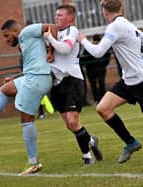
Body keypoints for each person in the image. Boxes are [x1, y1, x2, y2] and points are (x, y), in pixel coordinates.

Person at [0, 19, 56, 175]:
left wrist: (51, 51)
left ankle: (33, 163)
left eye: (6, 36)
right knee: (5, 89)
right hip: (31, 76)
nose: (6, 40)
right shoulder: (23, 43)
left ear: (15, 31)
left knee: (26, 119)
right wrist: (15, 77)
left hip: (38, 79)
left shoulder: (27, 31)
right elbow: (33, 64)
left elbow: (52, 27)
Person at [78, 0, 143, 163]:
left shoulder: (116, 26)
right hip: (128, 81)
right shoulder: (129, 25)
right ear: (121, 8)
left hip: (141, 81)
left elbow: (98, 52)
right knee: (103, 108)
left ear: (104, 12)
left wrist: (83, 40)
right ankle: (130, 142)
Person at [44, 4, 103, 165]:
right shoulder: (53, 32)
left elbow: (64, 49)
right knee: (70, 125)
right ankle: (91, 140)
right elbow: (51, 52)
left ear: (70, 18)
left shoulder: (72, 30)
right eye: (56, 15)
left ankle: (87, 157)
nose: (57, 17)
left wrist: (49, 38)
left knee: (72, 120)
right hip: (56, 82)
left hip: (72, 80)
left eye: (60, 15)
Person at [81, 34, 111, 104]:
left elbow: (107, 56)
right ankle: (97, 99)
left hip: (100, 69)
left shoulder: (102, 47)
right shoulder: (89, 48)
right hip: (91, 70)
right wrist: (87, 66)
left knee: (101, 83)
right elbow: (84, 59)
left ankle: (103, 99)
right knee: (93, 84)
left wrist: (103, 65)